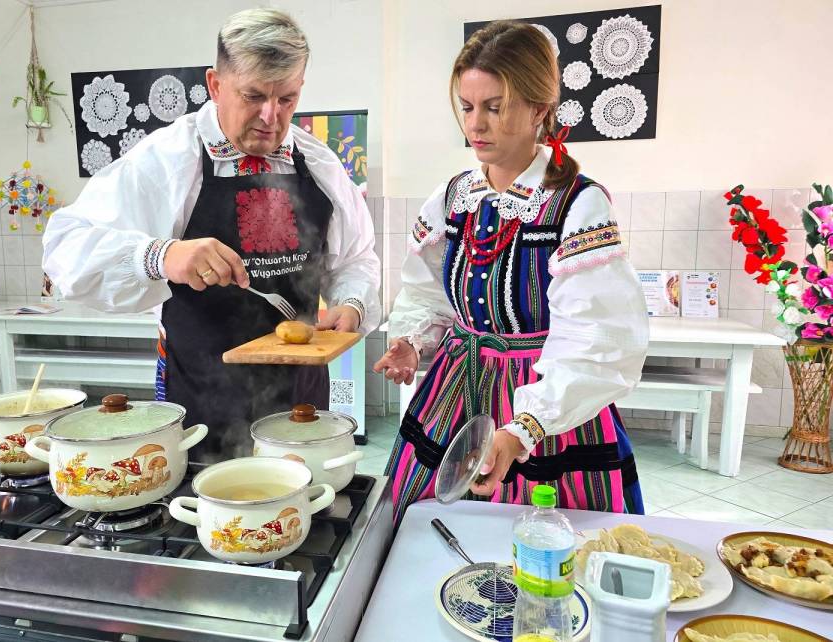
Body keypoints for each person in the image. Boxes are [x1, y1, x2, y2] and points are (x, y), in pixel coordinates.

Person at [44, 8, 380, 461]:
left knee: (302, 490)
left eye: (287, 99)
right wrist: (160, 256)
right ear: (215, 84)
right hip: (199, 394)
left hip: (301, 397)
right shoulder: (167, 160)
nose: (271, 117)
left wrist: (352, 304)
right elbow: (65, 246)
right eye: (253, 96)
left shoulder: (318, 165)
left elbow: (357, 258)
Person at [374, 21, 649, 525]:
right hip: (455, 390)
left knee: (539, 538)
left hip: (541, 404)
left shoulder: (577, 204)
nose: (475, 125)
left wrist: (525, 426)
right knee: (429, 532)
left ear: (539, 109)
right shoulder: (453, 198)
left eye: (495, 107)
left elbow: (598, 338)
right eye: (467, 106)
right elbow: (428, 293)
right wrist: (413, 342)